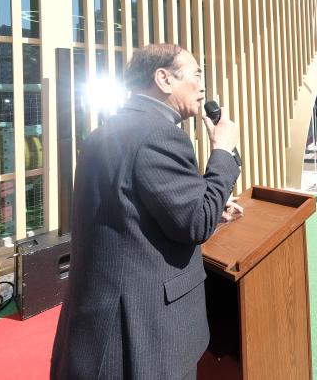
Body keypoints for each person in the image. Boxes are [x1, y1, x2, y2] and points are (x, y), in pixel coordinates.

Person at [51, 44, 242, 379]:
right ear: (164, 79)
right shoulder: (160, 135)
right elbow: (195, 224)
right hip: (141, 336)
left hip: (100, 327)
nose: (203, 86)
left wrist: (207, 202)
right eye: (196, 74)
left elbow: (134, 210)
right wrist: (223, 151)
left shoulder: (105, 133)